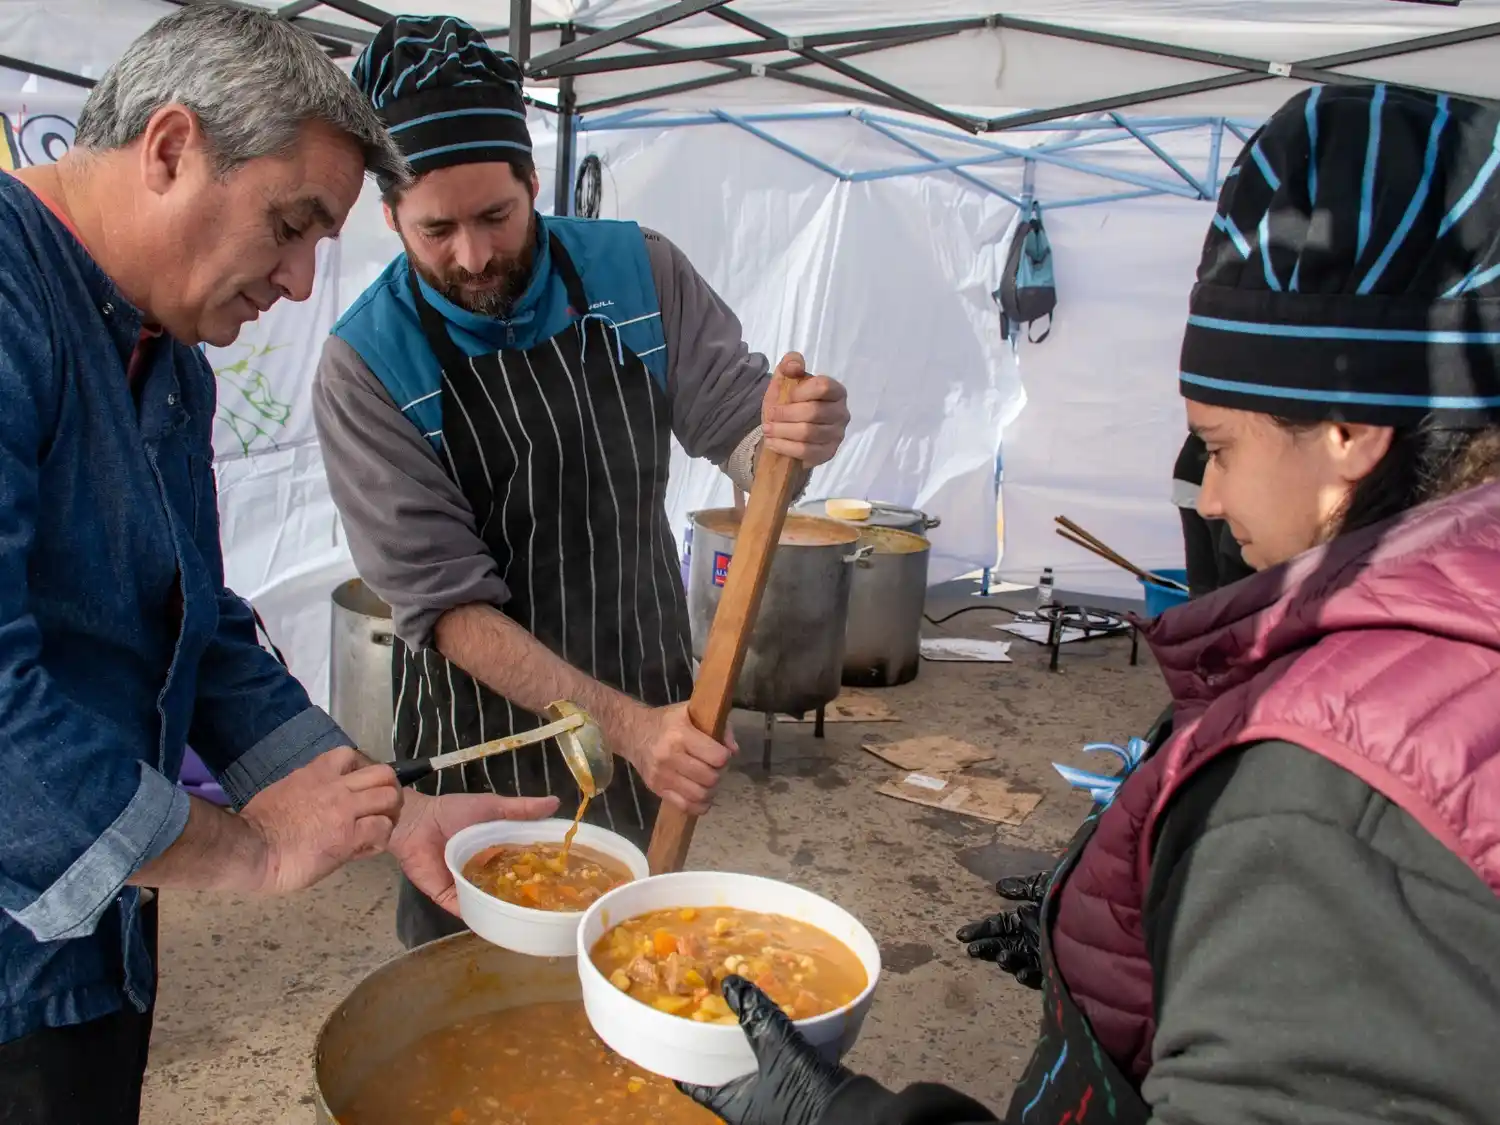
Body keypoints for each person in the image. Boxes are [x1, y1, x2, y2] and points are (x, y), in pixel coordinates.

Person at [680, 84, 1500, 1125]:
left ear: (1349, 433)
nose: (1207, 495)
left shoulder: (1332, 802)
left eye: (1223, 444)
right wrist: (1135, 933)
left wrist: (852, 1118)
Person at [0, 9, 553, 1123]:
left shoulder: (169, 360)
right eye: (288, 227)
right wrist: (249, 854)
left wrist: (389, 814)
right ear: (169, 149)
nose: (300, 285)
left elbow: (193, 630)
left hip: (93, 935)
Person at [313, 15, 851, 948]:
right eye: (437, 229)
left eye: (496, 216)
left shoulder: (637, 271)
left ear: (533, 181)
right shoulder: (367, 364)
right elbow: (448, 606)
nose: (474, 257)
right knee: (471, 1014)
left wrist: (791, 442)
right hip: (483, 751)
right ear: (387, 213)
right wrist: (627, 726)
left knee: (636, 974)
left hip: (653, 708)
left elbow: (744, 440)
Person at [1171, 433, 1254, 595]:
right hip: (1209, 474)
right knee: (1227, 570)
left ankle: (1202, 611)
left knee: (1204, 574)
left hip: (1191, 470)